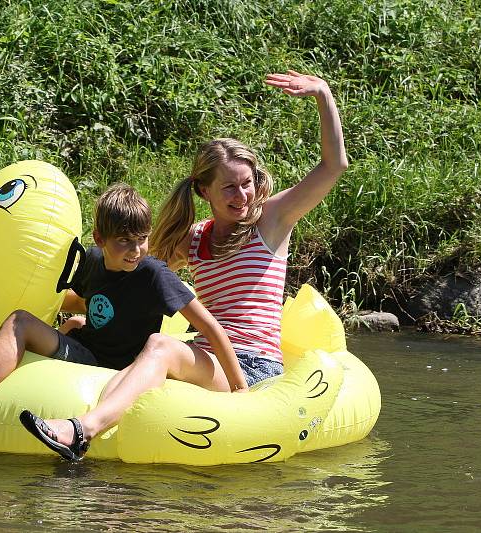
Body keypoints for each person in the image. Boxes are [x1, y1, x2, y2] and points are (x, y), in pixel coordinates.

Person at [21, 70, 348, 461]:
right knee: (143, 345)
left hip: (253, 364)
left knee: (161, 345)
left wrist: (323, 95)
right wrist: (75, 303)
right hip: (206, 357)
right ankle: (84, 429)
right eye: (228, 186)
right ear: (203, 190)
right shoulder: (192, 238)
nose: (242, 195)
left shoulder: (272, 220)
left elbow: (334, 167)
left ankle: (81, 430)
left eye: (247, 183)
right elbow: (131, 274)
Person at [0, 183, 242, 442]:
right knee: (20, 319)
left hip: (121, 371)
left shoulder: (154, 274)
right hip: (86, 354)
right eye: (124, 242)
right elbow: (75, 299)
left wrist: (240, 391)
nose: (135, 250)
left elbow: (211, 328)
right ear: (100, 239)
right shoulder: (94, 262)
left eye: (142, 239)